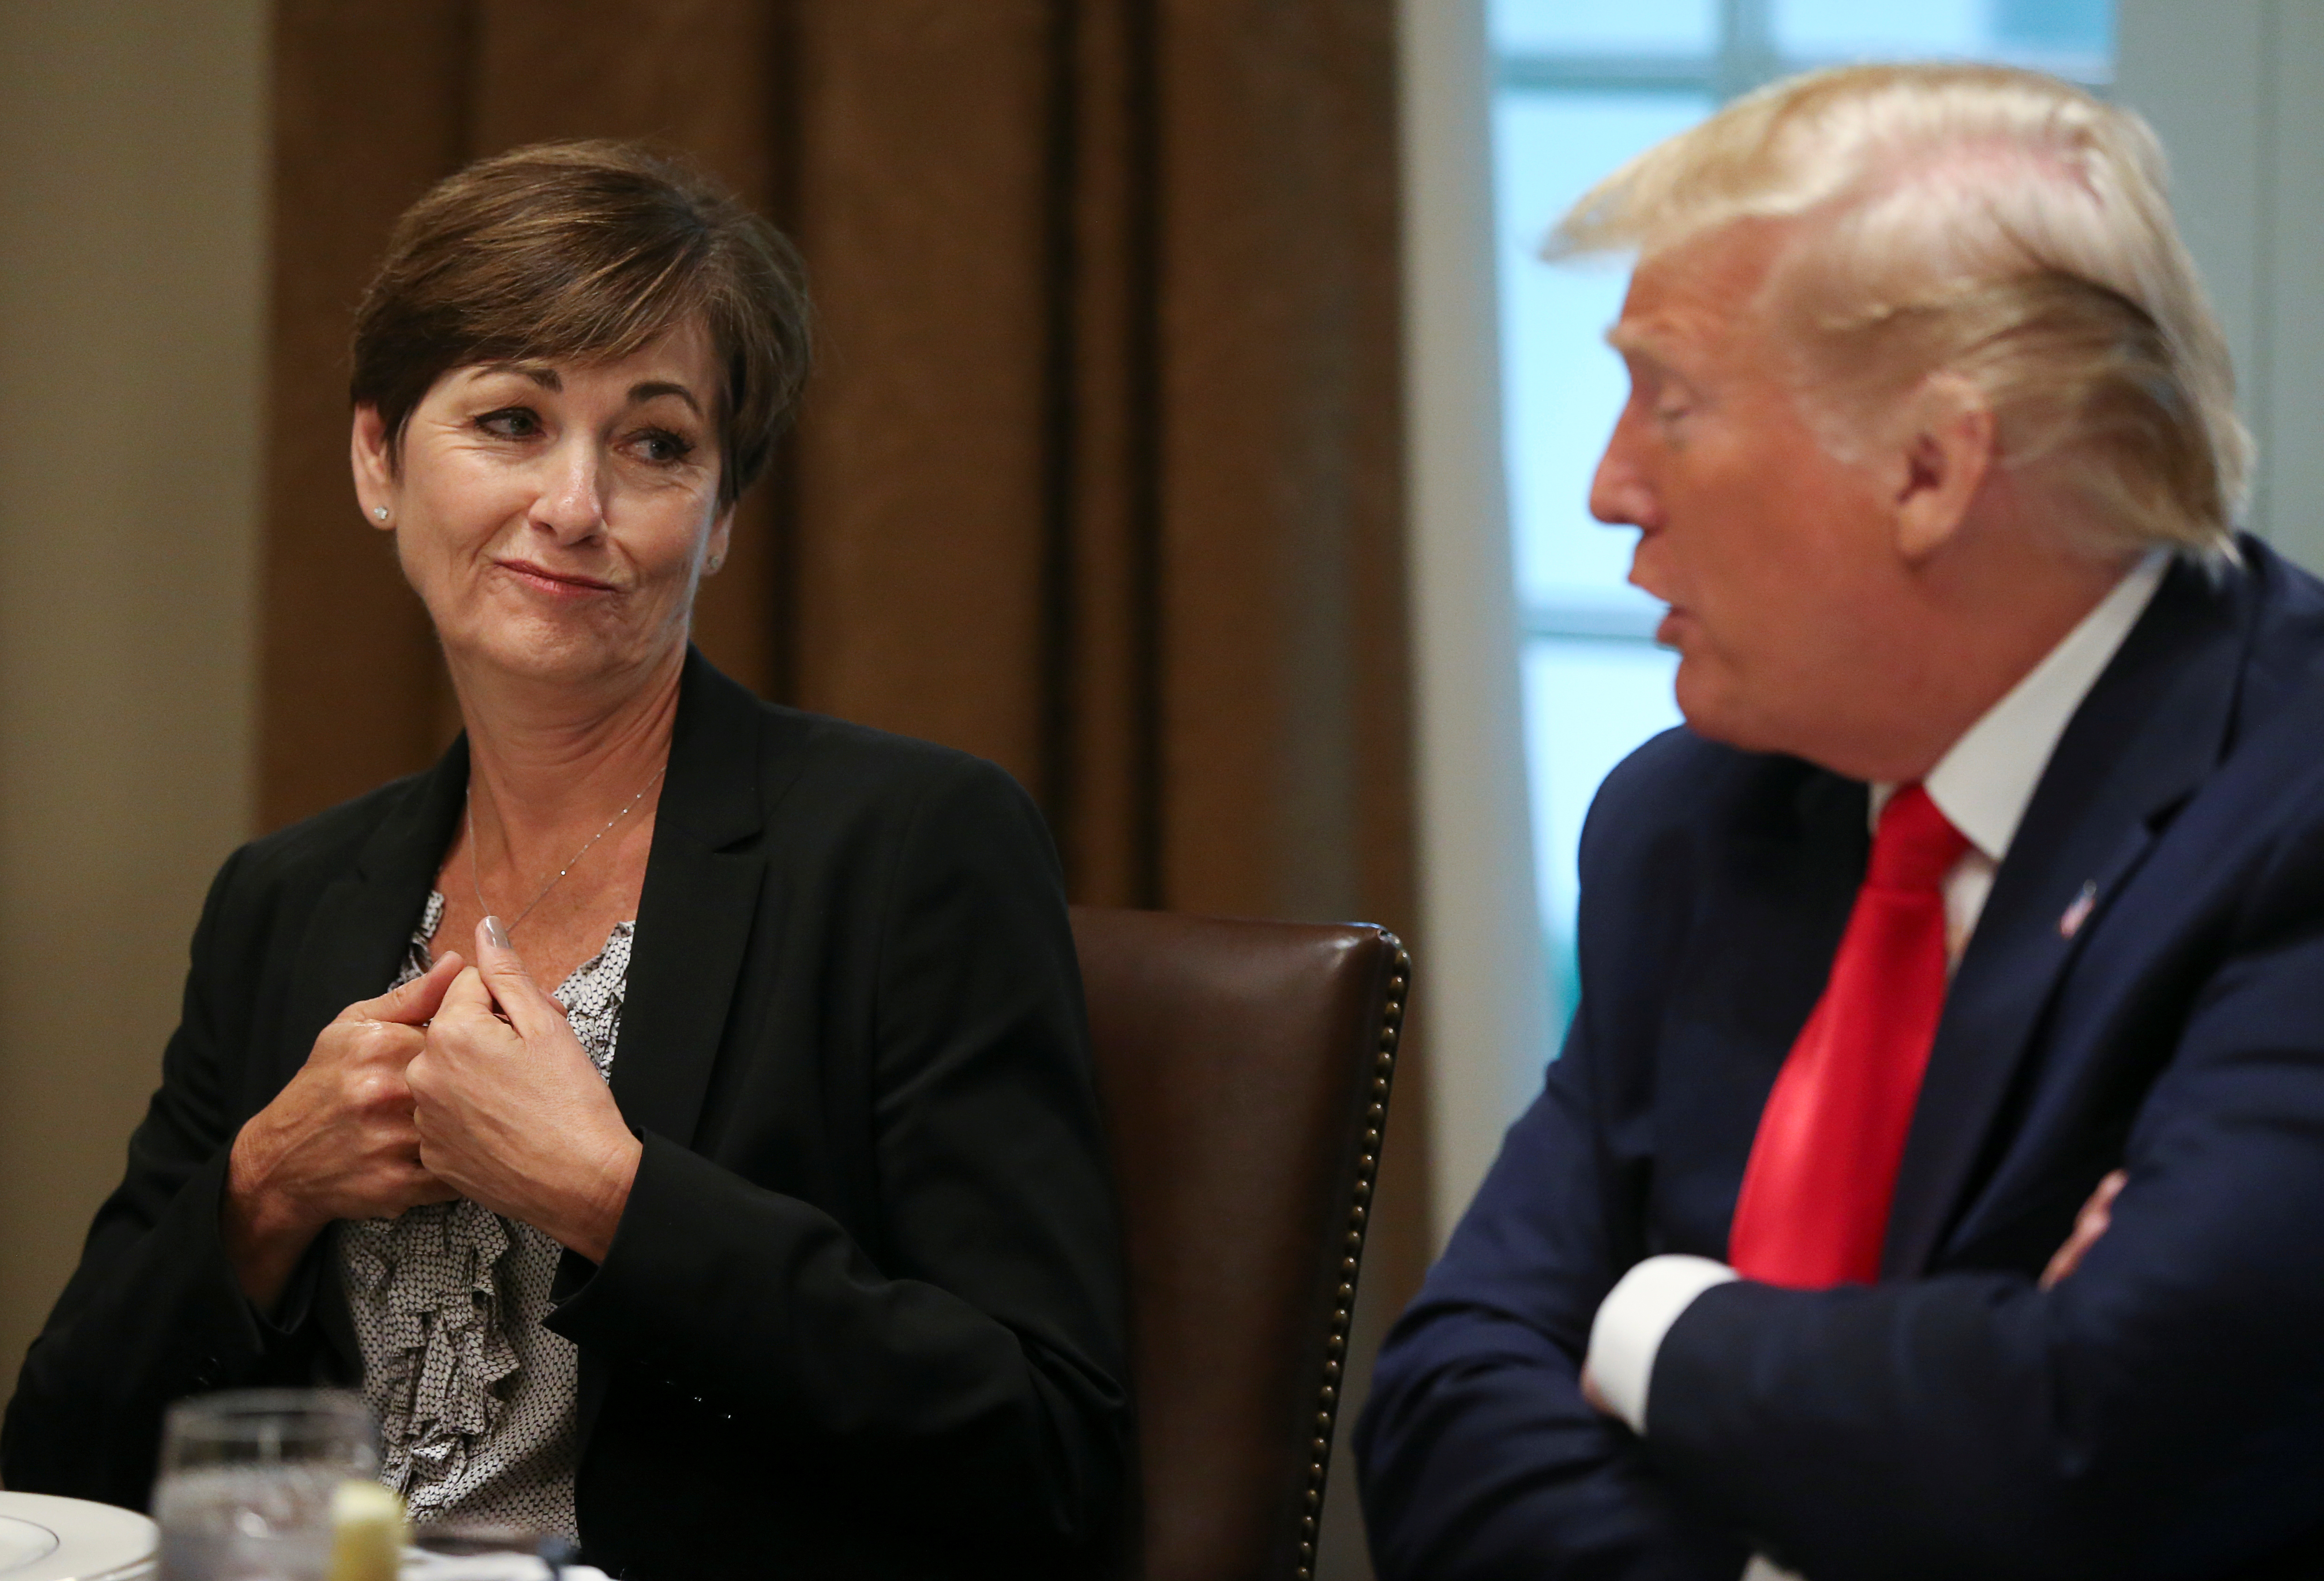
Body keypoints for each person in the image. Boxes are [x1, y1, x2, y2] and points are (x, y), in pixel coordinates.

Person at [2, 140, 1129, 1580]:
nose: (576, 505)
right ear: (376, 460)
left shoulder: (910, 848)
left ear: (721, 519)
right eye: (512, 420)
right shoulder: (283, 901)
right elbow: (55, 1470)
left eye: (657, 444)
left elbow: (1045, 1450)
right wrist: (268, 1186)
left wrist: (607, 1193)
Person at [1357, 63, 2324, 1581]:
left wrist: (1648, 1319)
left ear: (1932, 470)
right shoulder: (1691, 820)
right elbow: (1443, 1403)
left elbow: (2085, 1436)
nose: (1613, 488)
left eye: (1670, 404)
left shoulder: (2295, 814)